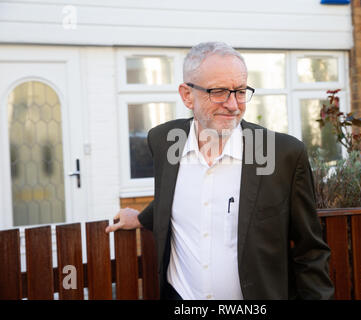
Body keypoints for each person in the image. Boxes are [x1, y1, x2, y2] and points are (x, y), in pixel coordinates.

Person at [106, 42, 334, 300]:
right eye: (219, 92)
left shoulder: (282, 154)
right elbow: (175, 194)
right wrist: (140, 218)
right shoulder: (164, 140)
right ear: (187, 95)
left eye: (239, 91)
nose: (233, 104)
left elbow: (310, 251)